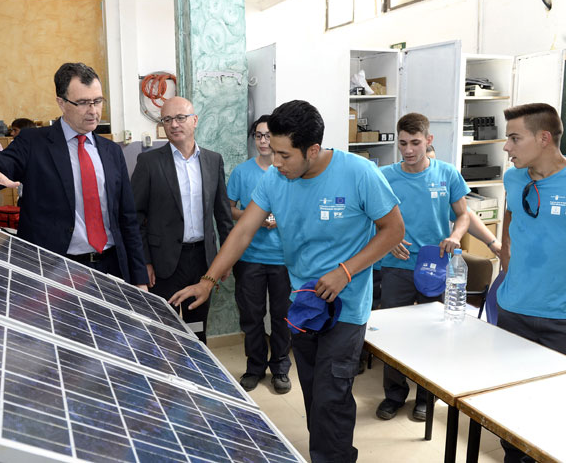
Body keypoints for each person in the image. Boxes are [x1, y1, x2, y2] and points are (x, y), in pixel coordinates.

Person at [170, 100, 405, 462]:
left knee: (332, 394)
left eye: (283, 155)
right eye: (272, 153)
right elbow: (244, 230)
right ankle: (324, 452)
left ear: (313, 150)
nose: (275, 162)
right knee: (312, 391)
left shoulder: (359, 173)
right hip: (305, 305)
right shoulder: (274, 179)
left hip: (347, 306)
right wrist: (208, 280)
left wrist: (345, 271)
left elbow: (393, 230)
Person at [0, 62, 148, 288]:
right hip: (55, 271)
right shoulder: (34, 143)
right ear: (61, 103)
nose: (93, 111)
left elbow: (127, 218)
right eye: (82, 102)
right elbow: (3, 162)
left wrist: (139, 279)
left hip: (111, 269)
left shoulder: (111, 151)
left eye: (98, 101)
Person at [376, 113, 470, 422]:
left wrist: (455, 236)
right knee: (394, 334)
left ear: (428, 141)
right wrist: (386, 239)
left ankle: (425, 398)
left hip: (435, 267)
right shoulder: (385, 176)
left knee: (432, 334)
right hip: (396, 265)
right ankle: (394, 395)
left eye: (415, 143)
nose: (408, 150)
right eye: (403, 143)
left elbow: (463, 215)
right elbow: (369, 217)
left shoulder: (447, 174)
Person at [131, 96, 233, 343]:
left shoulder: (212, 160)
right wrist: (144, 261)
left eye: (180, 118)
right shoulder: (149, 162)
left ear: (194, 120)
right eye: (167, 119)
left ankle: (198, 376)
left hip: (202, 260)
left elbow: (223, 214)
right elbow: (135, 216)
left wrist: (226, 259)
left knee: (197, 328)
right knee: (161, 329)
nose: (174, 124)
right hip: (162, 262)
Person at [498, 102, 566, 463]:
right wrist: (507, 260)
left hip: (560, 320)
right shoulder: (513, 177)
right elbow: (510, 221)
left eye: (514, 138)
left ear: (543, 138)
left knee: (553, 413)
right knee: (512, 408)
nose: (506, 147)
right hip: (513, 313)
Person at [227, 114, 292, 393]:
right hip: (250, 257)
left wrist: (280, 218)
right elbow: (229, 208)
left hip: (283, 258)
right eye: (259, 136)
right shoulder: (242, 172)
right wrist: (253, 217)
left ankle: (280, 368)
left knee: (282, 317)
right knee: (251, 317)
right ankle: (254, 367)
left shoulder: (288, 170)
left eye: (268, 136)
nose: (263, 141)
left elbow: (301, 208)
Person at [427, 144, 501, 257]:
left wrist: (492, 243)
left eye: (433, 163)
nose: (431, 169)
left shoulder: (438, 188)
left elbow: (465, 215)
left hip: (435, 257)